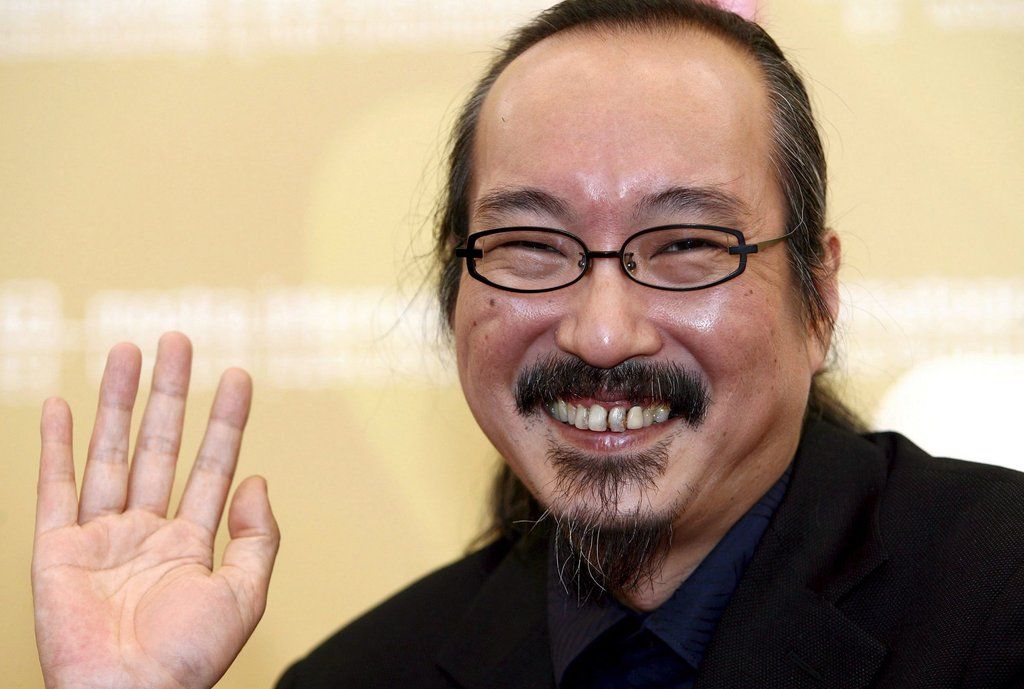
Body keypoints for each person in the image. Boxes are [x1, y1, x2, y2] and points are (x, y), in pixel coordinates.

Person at [30, 1, 1024, 688]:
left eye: (685, 244)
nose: (602, 331)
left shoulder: (997, 597)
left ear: (819, 296)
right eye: (532, 247)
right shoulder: (363, 675)